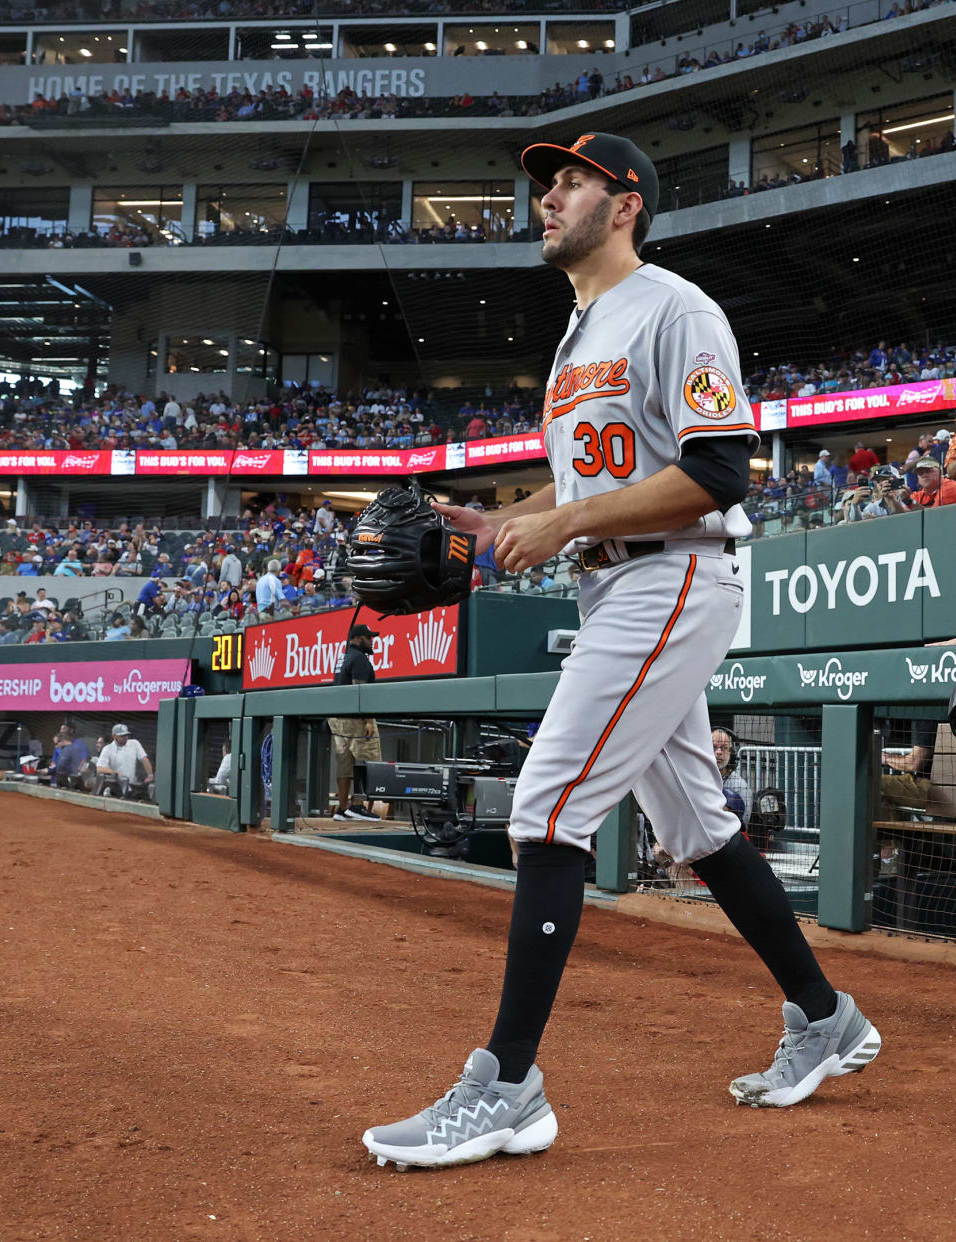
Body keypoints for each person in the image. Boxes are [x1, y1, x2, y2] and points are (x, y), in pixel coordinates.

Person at [367, 131, 878, 1173]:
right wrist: (494, 520)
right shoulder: (579, 331)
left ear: (626, 202)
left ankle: (507, 1087)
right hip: (619, 582)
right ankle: (825, 1017)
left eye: (569, 182)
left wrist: (565, 525)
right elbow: (577, 481)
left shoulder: (674, 308)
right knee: (697, 827)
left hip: (675, 573)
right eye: (546, 185)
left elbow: (721, 469)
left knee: (548, 805)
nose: (547, 198)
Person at [330, 625, 384, 822]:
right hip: (355, 718)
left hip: (338, 718)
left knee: (344, 764)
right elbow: (360, 693)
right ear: (358, 638)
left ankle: (342, 808)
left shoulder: (343, 657)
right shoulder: (360, 659)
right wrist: (369, 720)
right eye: (369, 638)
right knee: (366, 759)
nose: (372, 641)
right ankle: (357, 805)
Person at [94, 723, 153, 799]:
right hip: (116, 787)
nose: (125, 737)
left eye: (126, 735)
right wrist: (113, 772)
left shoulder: (134, 743)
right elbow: (99, 769)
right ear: (114, 736)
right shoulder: (108, 749)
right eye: (122, 736)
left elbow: (144, 759)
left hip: (133, 786)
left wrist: (150, 775)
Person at [713, 726, 751, 828]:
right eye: (714, 747)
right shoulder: (699, 780)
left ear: (731, 753)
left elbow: (743, 824)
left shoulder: (740, 785)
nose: (719, 752)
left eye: (724, 748)